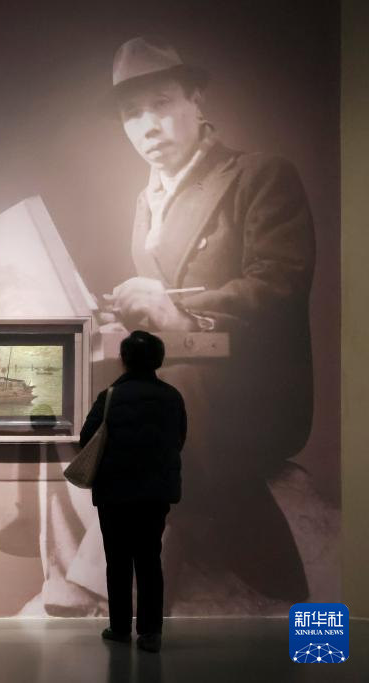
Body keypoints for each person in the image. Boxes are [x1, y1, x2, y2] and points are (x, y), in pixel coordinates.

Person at [103, 36, 315, 604]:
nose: (147, 126)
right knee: (97, 392)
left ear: (196, 101)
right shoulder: (145, 202)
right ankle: (107, 572)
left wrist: (179, 314)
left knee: (166, 399)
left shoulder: (260, 175)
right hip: (185, 379)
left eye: (161, 103)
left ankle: (288, 601)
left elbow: (278, 285)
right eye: (131, 113)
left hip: (254, 389)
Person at [82, 331, 186, 653]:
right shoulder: (172, 397)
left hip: (114, 491)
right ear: (158, 360)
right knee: (149, 559)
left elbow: (87, 438)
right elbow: (179, 439)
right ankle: (151, 632)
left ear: (124, 359)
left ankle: (119, 627)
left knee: (118, 561)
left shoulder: (110, 396)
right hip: (155, 492)